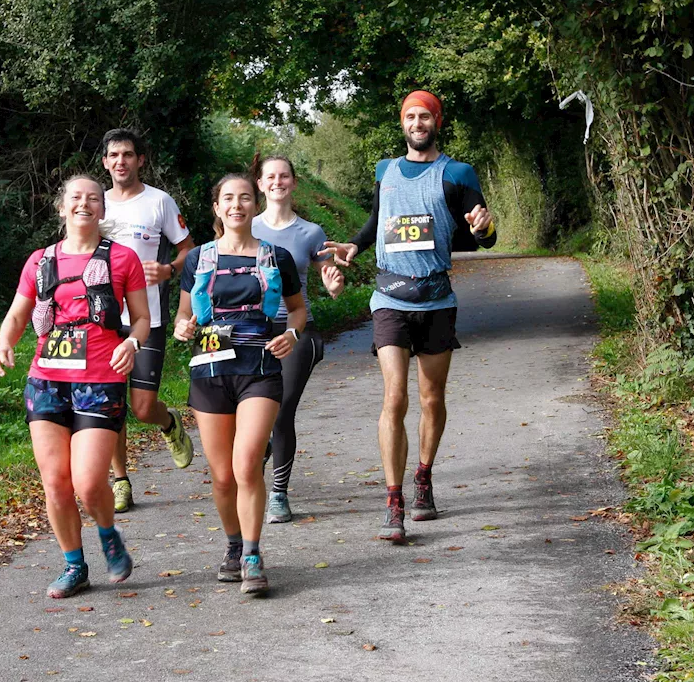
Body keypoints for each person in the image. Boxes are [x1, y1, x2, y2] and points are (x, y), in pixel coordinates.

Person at [320, 90, 497, 543]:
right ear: (402, 123)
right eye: (410, 117)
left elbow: (481, 237)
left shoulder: (457, 172)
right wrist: (354, 245)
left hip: (436, 300)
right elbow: (379, 219)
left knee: (431, 398)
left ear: (437, 121)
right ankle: (393, 499)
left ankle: (423, 476)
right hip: (390, 299)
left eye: (425, 116)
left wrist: (484, 226)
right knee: (394, 397)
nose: (417, 123)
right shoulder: (385, 170)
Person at [0, 175, 150, 598]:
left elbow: (142, 320)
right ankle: (74, 565)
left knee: (86, 481)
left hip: (101, 379)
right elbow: (17, 315)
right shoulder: (40, 260)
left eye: (93, 198)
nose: (84, 204)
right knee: (55, 483)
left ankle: (107, 531)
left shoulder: (123, 259)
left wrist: (133, 342)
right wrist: (4, 345)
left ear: (102, 209)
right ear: (62, 208)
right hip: (46, 381)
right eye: (76, 198)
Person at [171, 173, 306, 594]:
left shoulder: (276, 256)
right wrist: (182, 329)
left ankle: (251, 554)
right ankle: (232, 545)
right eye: (228, 199)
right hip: (210, 371)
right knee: (222, 474)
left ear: (255, 203)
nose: (236, 205)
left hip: (260, 368)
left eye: (244, 198)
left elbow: (297, 310)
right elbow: (183, 317)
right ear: (217, 207)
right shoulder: (198, 259)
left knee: (246, 463)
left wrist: (292, 334)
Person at [100, 128, 196, 513]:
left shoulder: (159, 202)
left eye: (128, 154)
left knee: (141, 407)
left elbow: (188, 249)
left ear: (140, 160)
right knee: (111, 406)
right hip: (103, 319)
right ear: (105, 162)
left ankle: (169, 422)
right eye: (114, 155)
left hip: (147, 318)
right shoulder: (96, 203)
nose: (121, 161)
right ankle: (120, 481)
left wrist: (169, 270)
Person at [251, 154, 344, 523]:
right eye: (270, 177)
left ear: (294, 182)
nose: (277, 182)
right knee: (256, 409)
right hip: (250, 330)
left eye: (284, 176)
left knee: (281, 407)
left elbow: (327, 271)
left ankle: (278, 494)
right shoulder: (244, 226)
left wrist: (332, 282)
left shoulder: (311, 232)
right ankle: (265, 448)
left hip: (295, 328)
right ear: (260, 184)